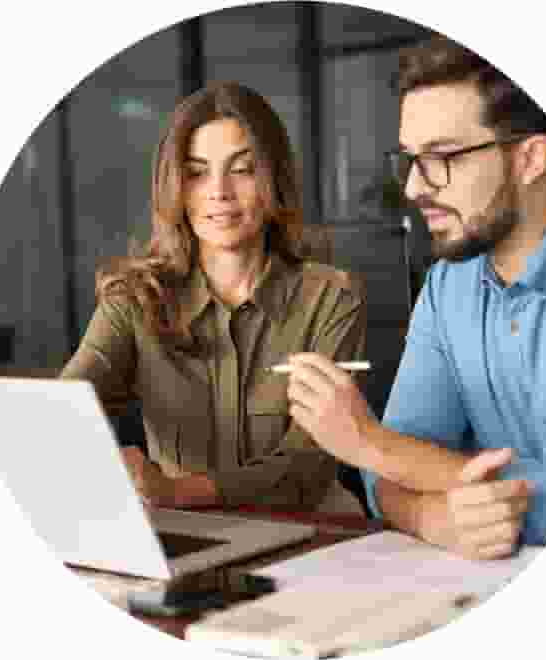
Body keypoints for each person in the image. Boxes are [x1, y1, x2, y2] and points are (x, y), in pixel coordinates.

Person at [285, 35, 546, 558]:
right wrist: (432, 517)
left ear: (530, 159)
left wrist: (371, 443)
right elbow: (387, 481)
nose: (414, 189)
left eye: (443, 157)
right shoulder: (450, 286)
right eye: (410, 160)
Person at [61, 81, 366, 514]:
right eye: (197, 171)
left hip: (312, 527)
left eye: (241, 169)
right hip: (185, 534)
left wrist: (179, 492)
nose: (218, 191)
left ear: (273, 178)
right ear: (176, 185)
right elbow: (66, 402)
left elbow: (307, 464)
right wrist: (111, 464)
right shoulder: (133, 299)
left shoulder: (331, 299)